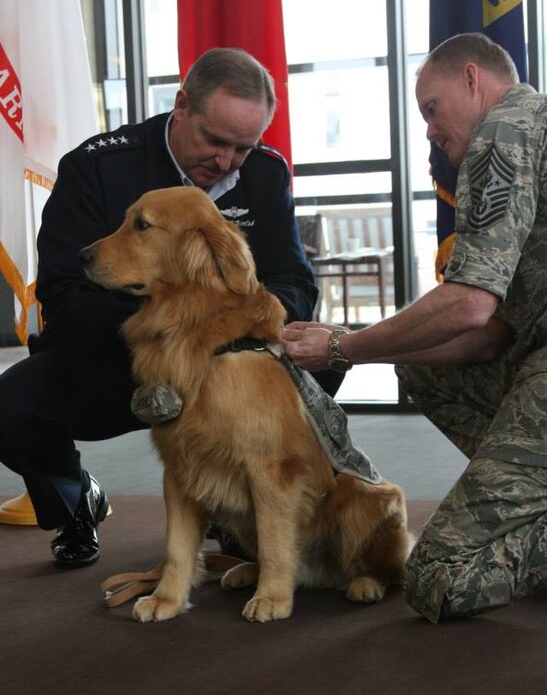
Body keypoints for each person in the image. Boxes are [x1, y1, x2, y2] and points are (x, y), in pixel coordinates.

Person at [0, 47, 342, 569]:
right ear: (181, 105)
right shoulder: (96, 168)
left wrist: (236, 332)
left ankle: (244, 513)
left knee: (323, 360)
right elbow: (64, 295)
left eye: (242, 149)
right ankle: (75, 502)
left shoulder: (267, 175)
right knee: (12, 407)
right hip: (117, 362)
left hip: (226, 365)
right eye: (214, 140)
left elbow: (293, 281)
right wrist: (168, 335)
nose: (226, 161)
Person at [283, 32, 547, 623]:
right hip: (534, 355)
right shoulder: (536, 123)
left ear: (474, 79)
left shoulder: (500, 135)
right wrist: (366, 348)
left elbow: (469, 306)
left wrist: (342, 347)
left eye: (432, 108)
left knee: (437, 577)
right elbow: (493, 332)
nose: (428, 129)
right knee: (421, 362)